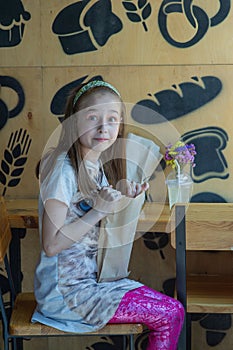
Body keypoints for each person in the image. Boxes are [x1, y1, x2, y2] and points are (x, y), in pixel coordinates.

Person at [32, 80, 184, 349]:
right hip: (67, 296)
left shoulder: (95, 164)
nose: (104, 127)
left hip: (92, 283)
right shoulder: (63, 170)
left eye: (112, 119)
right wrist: (99, 210)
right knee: (170, 313)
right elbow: (51, 244)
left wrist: (121, 191)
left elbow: (92, 206)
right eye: (92, 118)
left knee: (173, 310)